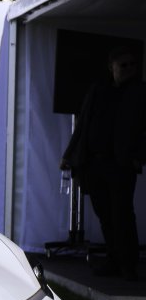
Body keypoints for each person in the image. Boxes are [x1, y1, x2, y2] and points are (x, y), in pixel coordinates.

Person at [61, 45, 146, 280]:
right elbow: (83, 124)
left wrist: (137, 157)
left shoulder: (140, 92)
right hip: (95, 163)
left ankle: (128, 264)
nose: (129, 69)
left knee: (122, 215)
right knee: (105, 215)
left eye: (132, 65)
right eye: (123, 65)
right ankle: (114, 260)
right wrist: (69, 155)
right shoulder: (99, 90)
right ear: (112, 67)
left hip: (121, 164)